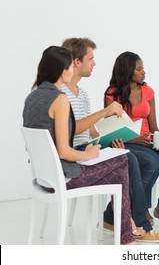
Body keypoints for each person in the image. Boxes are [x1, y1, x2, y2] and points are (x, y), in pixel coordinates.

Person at [23, 46, 139, 245]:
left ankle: (125, 234)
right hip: (63, 178)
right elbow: (63, 151)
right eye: (70, 66)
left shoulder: (32, 97)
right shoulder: (59, 99)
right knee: (121, 159)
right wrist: (90, 153)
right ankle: (127, 237)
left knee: (119, 173)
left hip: (43, 179)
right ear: (63, 71)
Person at [60, 38, 159, 243]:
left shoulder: (81, 94)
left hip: (90, 147)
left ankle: (121, 219)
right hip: (79, 155)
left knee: (143, 161)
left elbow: (91, 131)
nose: (94, 63)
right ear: (77, 61)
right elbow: (71, 129)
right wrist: (104, 112)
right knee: (130, 161)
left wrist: (109, 140)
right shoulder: (61, 94)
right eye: (91, 59)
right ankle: (140, 224)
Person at [104, 51, 159, 226]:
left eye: (143, 68)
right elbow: (110, 131)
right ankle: (142, 208)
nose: (143, 72)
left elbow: (153, 125)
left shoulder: (148, 91)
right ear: (127, 71)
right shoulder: (112, 94)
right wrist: (135, 139)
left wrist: (158, 140)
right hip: (125, 142)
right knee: (153, 162)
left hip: (147, 140)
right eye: (139, 69)